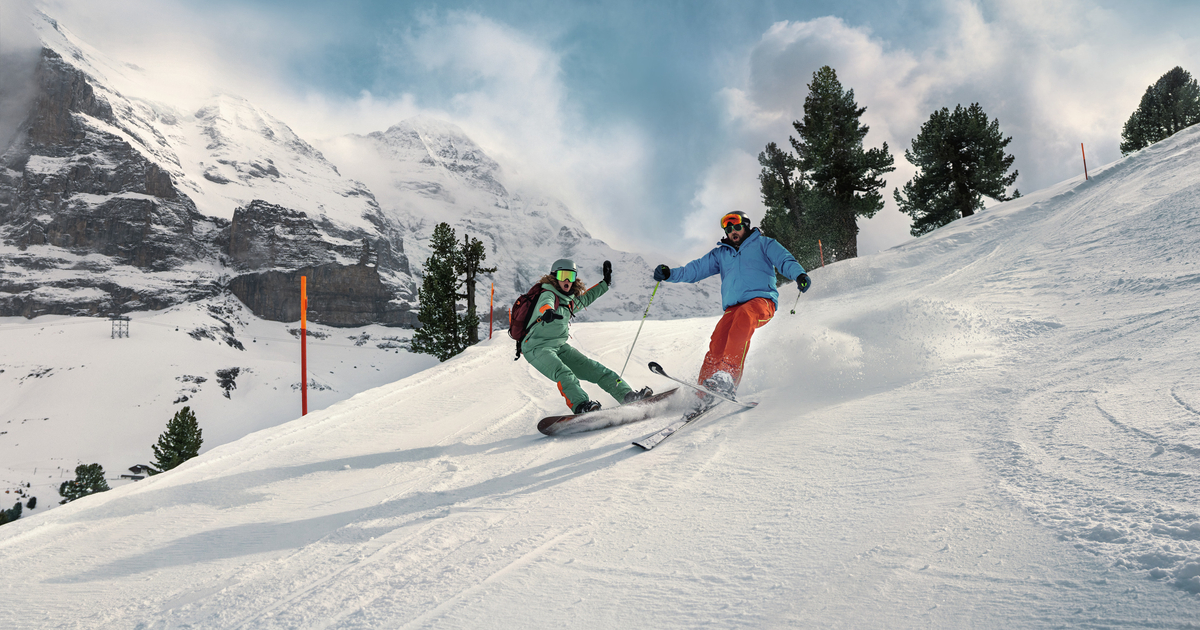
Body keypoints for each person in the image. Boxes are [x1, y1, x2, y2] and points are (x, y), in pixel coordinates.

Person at [652, 211, 811, 401]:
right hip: (733, 308)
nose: (733, 232)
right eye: (728, 229)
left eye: (737, 227)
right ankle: (704, 392)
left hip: (762, 302)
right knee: (718, 339)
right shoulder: (721, 253)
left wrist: (799, 275)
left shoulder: (764, 244)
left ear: (746, 226)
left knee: (745, 316)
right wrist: (670, 273)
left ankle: (727, 377)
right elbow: (695, 269)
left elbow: (784, 260)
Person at [523, 258, 653, 414]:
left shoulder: (568, 302)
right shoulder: (548, 294)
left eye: (570, 277)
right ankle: (581, 406)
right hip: (536, 347)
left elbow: (587, 298)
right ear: (554, 277)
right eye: (563, 275)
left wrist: (606, 282)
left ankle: (628, 396)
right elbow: (546, 303)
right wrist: (547, 311)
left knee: (597, 370)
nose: (566, 280)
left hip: (560, 346)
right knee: (564, 373)